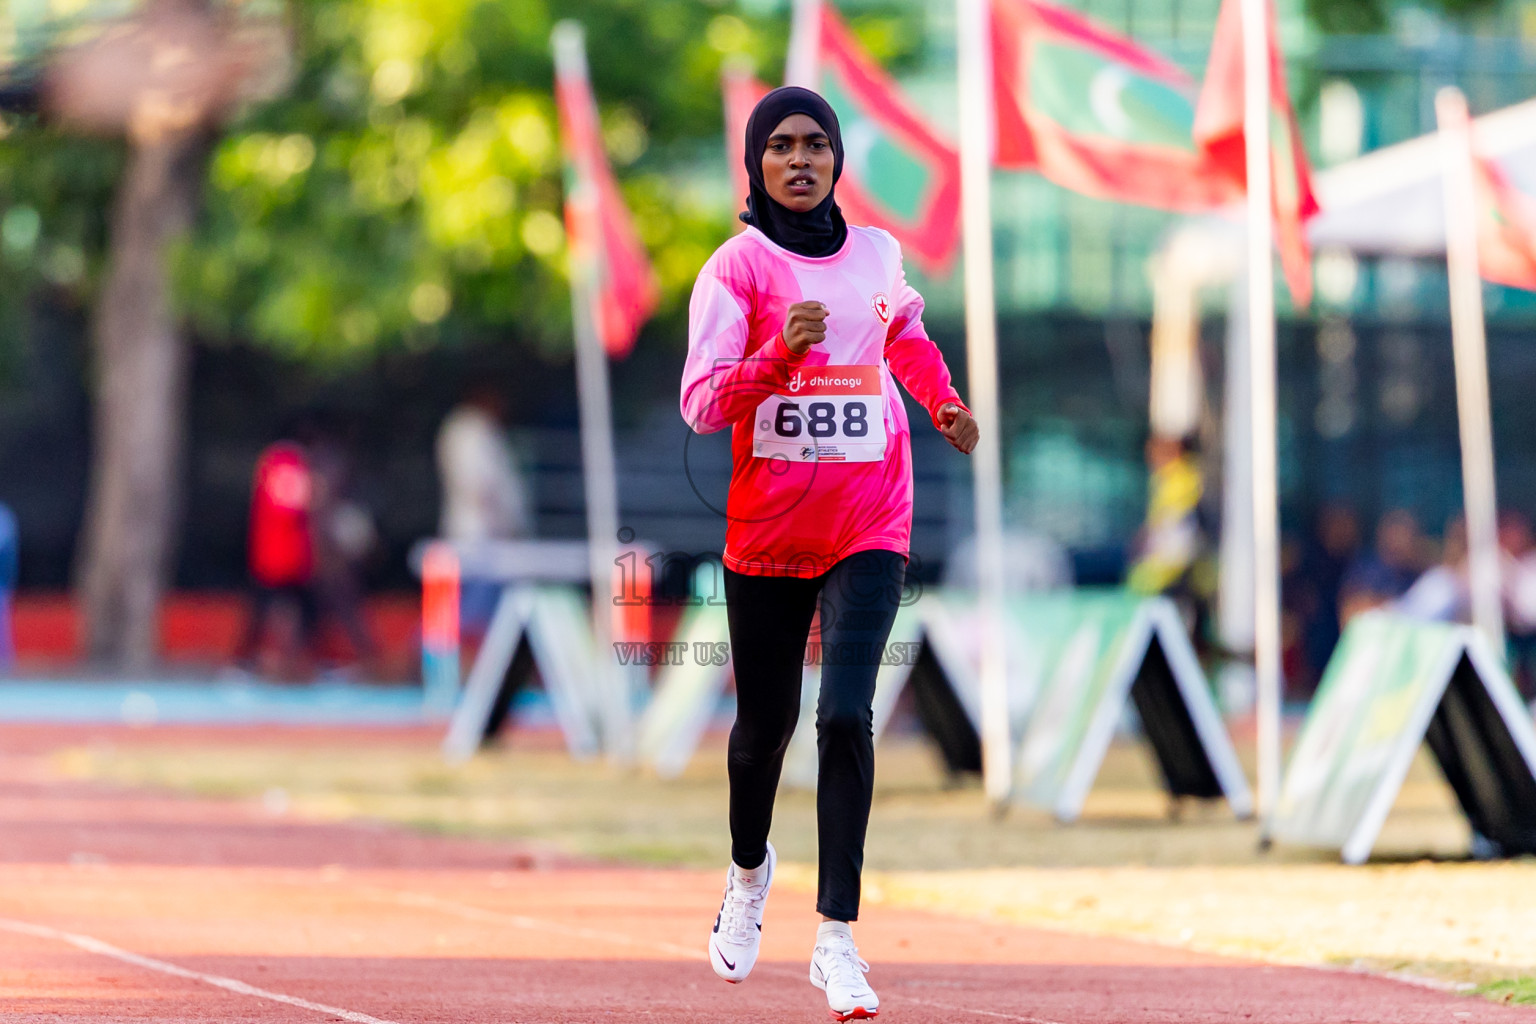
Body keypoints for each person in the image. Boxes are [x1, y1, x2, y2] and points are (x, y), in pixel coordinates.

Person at [680, 86, 977, 1021]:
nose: (799, 160)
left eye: (815, 145)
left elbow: (907, 338)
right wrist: (776, 353)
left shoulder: (880, 253)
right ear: (756, 165)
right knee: (763, 729)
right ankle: (747, 872)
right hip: (770, 531)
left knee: (847, 716)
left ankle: (838, 940)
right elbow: (700, 402)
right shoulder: (737, 270)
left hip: (870, 520)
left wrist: (943, 403)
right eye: (780, 147)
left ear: (838, 160)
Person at [435, 386, 534, 634]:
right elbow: (480, 485)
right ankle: (424, 654)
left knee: (481, 606)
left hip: (485, 533)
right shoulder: (469, 429)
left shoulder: (477, 428)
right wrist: (503, 526)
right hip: (481, 534)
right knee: (471, 606)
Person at [233, 432, 321, 676]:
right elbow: (292, 505)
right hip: (282, 559)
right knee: (267, 611)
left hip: (276, 558)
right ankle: (251, 661)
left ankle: (248, 661)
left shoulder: (271, 464)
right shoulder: (288, 464)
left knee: (269, 611)